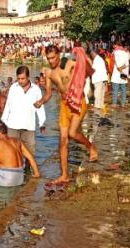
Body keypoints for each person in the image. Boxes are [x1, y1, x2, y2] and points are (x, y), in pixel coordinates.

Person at [36, 44, 98, 184]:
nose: (51, 61)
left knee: (72, 133)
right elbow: (48, 93)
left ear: (59, 55)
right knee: (63, 141)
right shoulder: (49, 73)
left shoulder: (69, 64)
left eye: (53, 58)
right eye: (48, 58)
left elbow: (89, 72)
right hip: (64, 105)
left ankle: (91, 147)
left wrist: (82, 59)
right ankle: (64, 175)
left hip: (77, 101)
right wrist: (41, 102)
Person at [1, 65, 46, 157]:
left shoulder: (36, 89)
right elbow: (8, 105)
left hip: (29, 127)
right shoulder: (13, 87)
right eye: (18, 78)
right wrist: (3, 121)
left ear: (28, 77)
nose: (20, 81)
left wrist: (42, 123)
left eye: (23, 78)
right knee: (12, 153)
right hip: (13, 126)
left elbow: (40, 107)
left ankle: (28, 170)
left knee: (30, 153)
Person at [89, 46, 109, 111]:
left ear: (94, 53)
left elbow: (93, 70)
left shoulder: (96, 60)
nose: (91, 55)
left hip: (98, 79)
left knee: (97, 94)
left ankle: (97, 107)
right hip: (102, 78)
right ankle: (100, 106)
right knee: (101, 94)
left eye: (91, 54)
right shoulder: (100, 59)